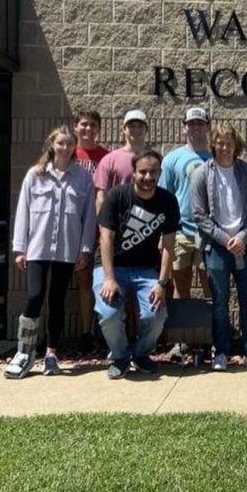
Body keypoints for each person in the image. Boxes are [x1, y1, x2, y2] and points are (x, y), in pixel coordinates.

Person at [6, 126, 96, 379]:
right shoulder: (35, 175)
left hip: (67, 251)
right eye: (61, 143)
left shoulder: (82, 178)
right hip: (37, 249)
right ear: (52, 145)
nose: (65, 148)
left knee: (57, 301)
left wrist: (85, 249)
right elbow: (23, 212)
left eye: (70, 144)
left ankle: (51, 354)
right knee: (35, 296)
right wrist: (19, 248)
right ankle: (24, 351)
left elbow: (89, 217)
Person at [93, 149, 179, 379]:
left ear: (160, 173)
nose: (148, 177)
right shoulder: (116, 196)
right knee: (108, 313)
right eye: (143, 172)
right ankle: (120, 357)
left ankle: (141, 354)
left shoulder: (168, 201)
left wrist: (162, 282)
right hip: (110, 267)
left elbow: (169, 246)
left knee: (156, 315)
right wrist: (109, 278)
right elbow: (106, 239)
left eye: (153, 172)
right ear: (133, 173)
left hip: (145, 269)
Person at [190, 122, 247, 371]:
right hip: (217, 247)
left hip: (246, 245)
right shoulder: (202, 173)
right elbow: (198, 214)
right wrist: (225, 240)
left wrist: (243, 237)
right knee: (220, 302)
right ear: (213, 144)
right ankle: (221, 351)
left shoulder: (246, 172)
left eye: (229, 143)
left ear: (236, 146)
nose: (224, 148)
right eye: (220, 143)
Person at [159, 107, 211, 300]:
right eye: (191, 123)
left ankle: (211, 330)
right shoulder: (172, 159)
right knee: (181, 289)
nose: (195, 127)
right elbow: (164, 197)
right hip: (180, 232)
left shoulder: (217, 158)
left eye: (200, 123)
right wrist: (162, 234)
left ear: (208, 127)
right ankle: (183, 330)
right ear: (184, 128)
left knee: (211, 287)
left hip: (209, 233)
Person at [71, 108, 109, 353]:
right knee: (84, 284)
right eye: (84, 124)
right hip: (74, 229)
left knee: (105, 284)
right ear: (76, 127)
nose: (88, 129)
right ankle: (86, 333)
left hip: (101, 232)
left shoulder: (106, 157)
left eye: (93, 125)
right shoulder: (67, 153)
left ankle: (107, 333)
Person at [93, 109, 150, 213]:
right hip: (117, 223)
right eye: (131, 126)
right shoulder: (109, 160)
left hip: (147, 223)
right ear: (124, 130)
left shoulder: (154, 160)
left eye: (140, 126)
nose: (136, 129)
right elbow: (101, 198)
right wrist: (103, 226)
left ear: (146, 130)